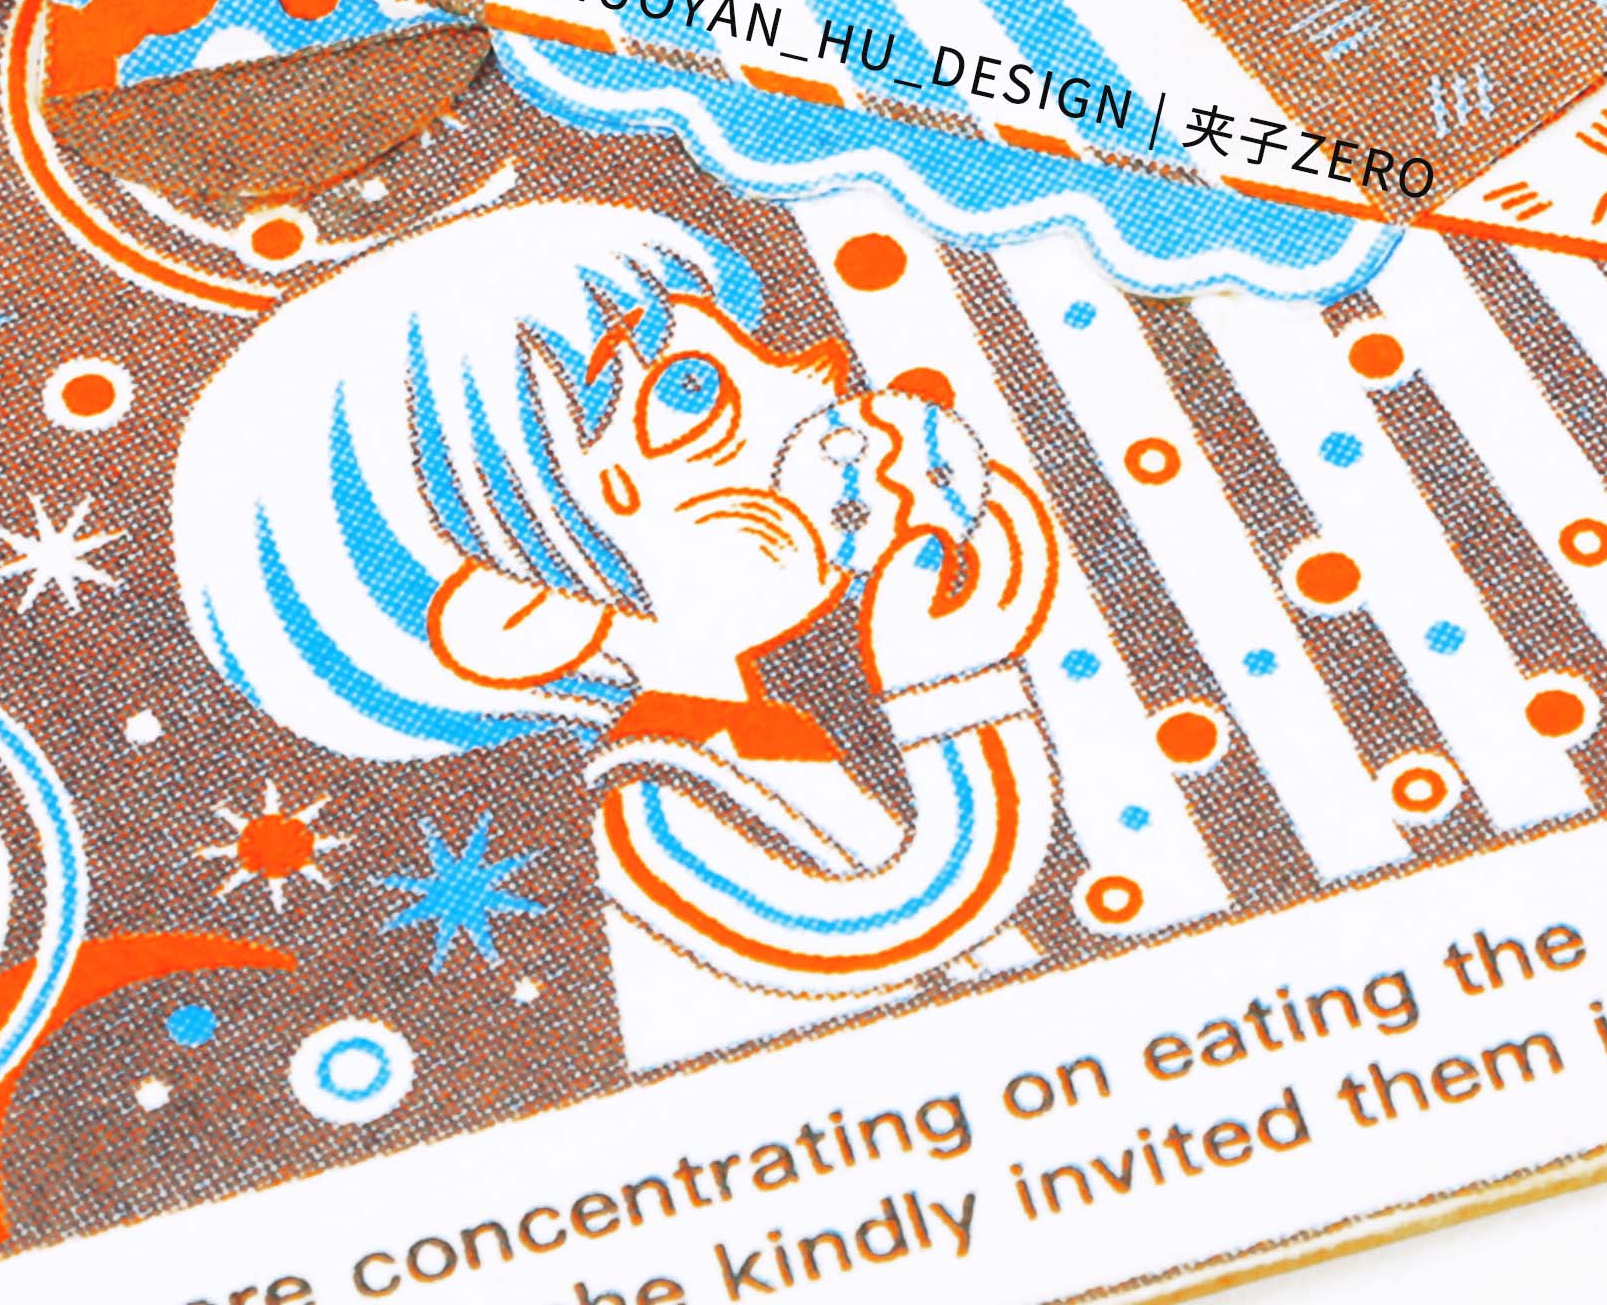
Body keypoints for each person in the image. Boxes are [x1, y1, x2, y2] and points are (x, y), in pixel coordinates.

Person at [172, 196, 1069, 1052]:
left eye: (758, 352)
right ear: (515, 618)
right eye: (690, 391)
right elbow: (899, 925)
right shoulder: (659, 809)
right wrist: (951, 684)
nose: (819, 382)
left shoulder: (757, 739)